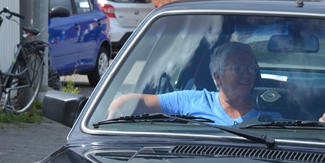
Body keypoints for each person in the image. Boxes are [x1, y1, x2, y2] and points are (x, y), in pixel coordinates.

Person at [106, 42, 272, 125]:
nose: (247, 74)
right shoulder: (192, 100)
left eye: (252, 69)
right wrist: (117, 108)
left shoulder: (272, 108)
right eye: (238, 68)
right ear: (218, 77)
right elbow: (140, 102)